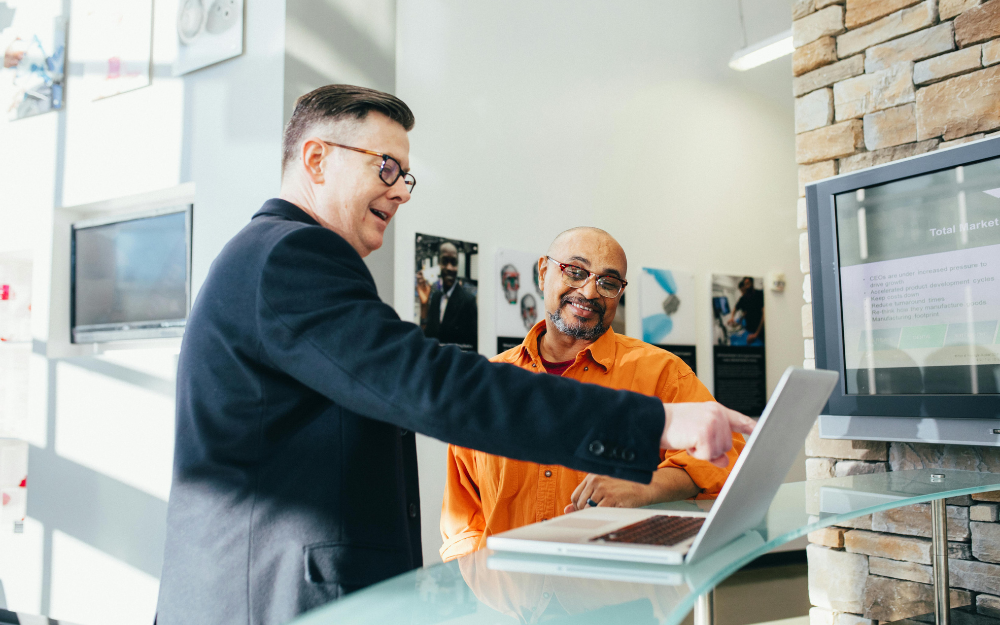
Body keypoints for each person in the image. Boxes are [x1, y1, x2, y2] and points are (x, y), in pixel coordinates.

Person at [155, 84, 755, 625]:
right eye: (386, 167)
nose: (400, 191)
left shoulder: (271, 256)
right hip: (271, 599)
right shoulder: (291, 256)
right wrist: (654, 423)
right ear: (316, 159)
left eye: (406, 176)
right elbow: (430, 385)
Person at [440, 228, 745, 561]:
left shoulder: (662, 373)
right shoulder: (488, 384)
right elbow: (463, 518)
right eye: (575, 271)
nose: (588, 292)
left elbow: (727, 457)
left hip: (615, 587)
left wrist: (644, 486)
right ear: (543, 272)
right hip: (507, 589)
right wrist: (478, 582)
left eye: (608, 282)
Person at [416, 241, 478, 351]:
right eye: (444, 261)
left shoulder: (468, 301)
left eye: (453, 263)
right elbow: (427, 337)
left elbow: (472, 347)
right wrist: (424, 305)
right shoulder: (436, 297)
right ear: (438, 264)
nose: (449, 268)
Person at [730, 276, 765, 345]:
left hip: (760, 331)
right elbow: (737, 309)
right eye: (745, 284)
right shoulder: (743, 298)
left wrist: (756, 334)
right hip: (749, 330)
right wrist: (732, 318)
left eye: (747, 284)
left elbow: (764, 314)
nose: (746, 287)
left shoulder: (759, 294)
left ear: (752, 283)